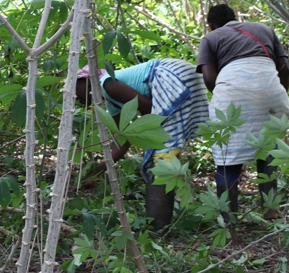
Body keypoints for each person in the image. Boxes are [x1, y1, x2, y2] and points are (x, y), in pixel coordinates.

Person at [76, 58, 209, 230]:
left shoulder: (106, 84)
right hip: (185, 75)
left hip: (172, 76)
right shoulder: (112, 102)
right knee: (165, 149)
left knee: (162, 154)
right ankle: (160, 224)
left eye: (75, 94)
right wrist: (95, 172)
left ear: (86, 83)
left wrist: (140, 131)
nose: (78, 102)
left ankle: (158, 226)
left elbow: (149, 110)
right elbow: (122, 140)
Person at [196, 4, 289, 221]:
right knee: (268, 150)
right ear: (235, 16)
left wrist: (225, 97)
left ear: (211, 25)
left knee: (227, 155)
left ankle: (229, 220)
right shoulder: (264, 29)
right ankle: (271, 210)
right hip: (271, 90)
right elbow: (284, 69)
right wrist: (276, 95)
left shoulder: (210, 39)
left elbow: (209, 78)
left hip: (232, 94)